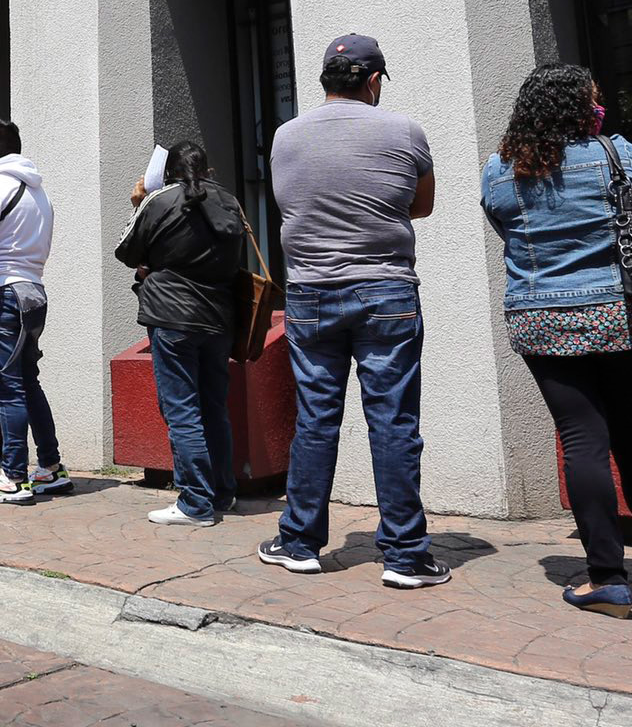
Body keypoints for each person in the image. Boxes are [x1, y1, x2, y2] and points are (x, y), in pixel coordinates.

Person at [481, 65, 632, 617]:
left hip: (543, 319)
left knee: (582, 442)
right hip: (625, 316)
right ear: (583, 106)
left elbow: (504, 227)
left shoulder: (500, 168)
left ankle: (606, 577)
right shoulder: (617, 153)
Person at [258, 35, 451, 588]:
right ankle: (405, 557)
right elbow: (422, 205)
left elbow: (290, 201)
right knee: (393, 421)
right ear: (372, 81)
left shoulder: (285, 136)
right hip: (385, 290)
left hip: (312, 292)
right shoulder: (404, 131)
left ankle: (298, 542)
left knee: (317, 419)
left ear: (325, 80)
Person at [113, 141, 246, 526]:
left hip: (172, 317)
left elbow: (126, 251)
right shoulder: (228, 201)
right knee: (214, 407)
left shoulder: (160, 200)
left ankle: (195, 502)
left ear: (166, 170)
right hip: (219, 317)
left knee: (182, 409)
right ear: (207, 169)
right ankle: (222, 492)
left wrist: (138, 202)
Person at [0, 119, 70, 504]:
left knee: (8, 390)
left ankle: (13, 478)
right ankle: (51, 469)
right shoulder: (41, 193)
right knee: (28, 382)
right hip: (33, 292)